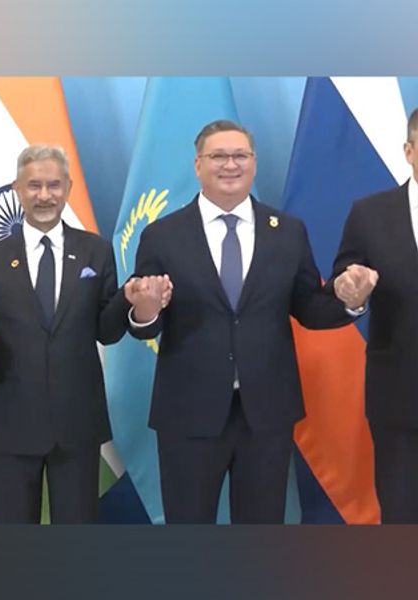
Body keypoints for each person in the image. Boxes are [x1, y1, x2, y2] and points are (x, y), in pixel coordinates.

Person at [123, 120, 370, 523]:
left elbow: (309, 308)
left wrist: (350, 303)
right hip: (189, 413)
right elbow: (148, 321)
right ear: (198, 165)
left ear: (254, 163)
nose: (230, 164)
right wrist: (146, 310)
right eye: (218, 156)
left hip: (266, 414)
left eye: (240, 155)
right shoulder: (162, 235)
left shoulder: (287, 232)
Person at [0, 144, 127, 523]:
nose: (44, 195)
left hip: (77, 423)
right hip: (12, 426)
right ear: (17, 189)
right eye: (34, 185)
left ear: (68, 187)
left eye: (54, 185)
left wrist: (134, 306)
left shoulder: (96, 252)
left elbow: (107, 331)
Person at [328, 108, 418, 523]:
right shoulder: (371, 214)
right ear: (409, 151)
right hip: (400, 398)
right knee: (402, 519)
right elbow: (342, 285)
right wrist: (352, 291)